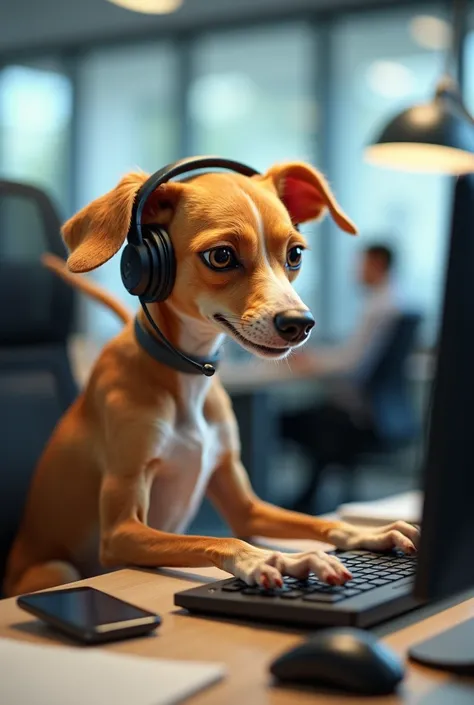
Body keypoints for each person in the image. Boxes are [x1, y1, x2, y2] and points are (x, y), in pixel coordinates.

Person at [282, 243, 408, 513]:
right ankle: (309, 496)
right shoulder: (394, 302)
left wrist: (311, 361)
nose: (357, 272)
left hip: (360, 412)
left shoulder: (379, 307)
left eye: (362, 264)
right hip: (379, 410)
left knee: (288, 421)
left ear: (378, 265)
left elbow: (353, 363)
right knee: (315, 419)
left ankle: (305, 499)